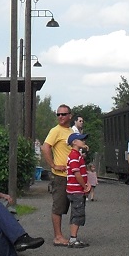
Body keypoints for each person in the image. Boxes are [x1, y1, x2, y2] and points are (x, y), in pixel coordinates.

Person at [41, 104, 75, 246]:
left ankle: (73, 234)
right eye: (58, 114)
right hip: (61, 176)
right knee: (59, 205)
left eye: (63, 114)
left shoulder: (71, 132)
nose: (60, 117)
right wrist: (53, 165)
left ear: (70, 116)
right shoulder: (56, 131)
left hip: (72, 175)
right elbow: (45, 147)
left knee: (76, 205)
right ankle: (58, 236)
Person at [64, 133, 93, 248]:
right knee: (78, 213)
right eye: (81, 140)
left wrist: (87, 183)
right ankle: (73, 239)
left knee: (75, 213)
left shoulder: (77, 155)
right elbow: (77, 173)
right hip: (76, 190)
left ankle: (73, 237)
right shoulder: (74, 155)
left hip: (75, 190)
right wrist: (84, 186)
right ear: (74, 142)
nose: (84, 142)